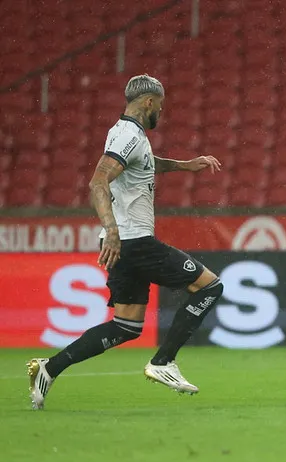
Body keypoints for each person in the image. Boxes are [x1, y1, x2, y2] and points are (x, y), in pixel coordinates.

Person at [27, 74, 223, 410]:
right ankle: (164, 362)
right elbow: (98, 180)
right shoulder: (130, 135)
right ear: (149, 103)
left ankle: (50, 368)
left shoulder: (127, 134)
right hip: (133, 241)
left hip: (125, 243)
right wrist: (113, 231)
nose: (161, 111)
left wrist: (183, 166)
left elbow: (143, 165)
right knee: (209, 287)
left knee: (125, 326)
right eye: (160, 105)